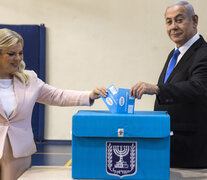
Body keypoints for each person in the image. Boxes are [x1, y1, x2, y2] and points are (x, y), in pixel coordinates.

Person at [0, 28, 108, 180]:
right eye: (11, 54)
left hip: (18, 154)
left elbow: (58, 96)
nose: (18, 58)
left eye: (20, 53)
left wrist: (89, 95)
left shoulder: (29, 79)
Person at [130, 1, 207, 168]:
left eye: (179, 20)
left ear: (194, 20)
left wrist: (156, 88)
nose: (173, 26)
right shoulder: (174, 53)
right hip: (171, 147)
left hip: (191, 153)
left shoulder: (203, 53)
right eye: (169, 21)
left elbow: (199, 87)